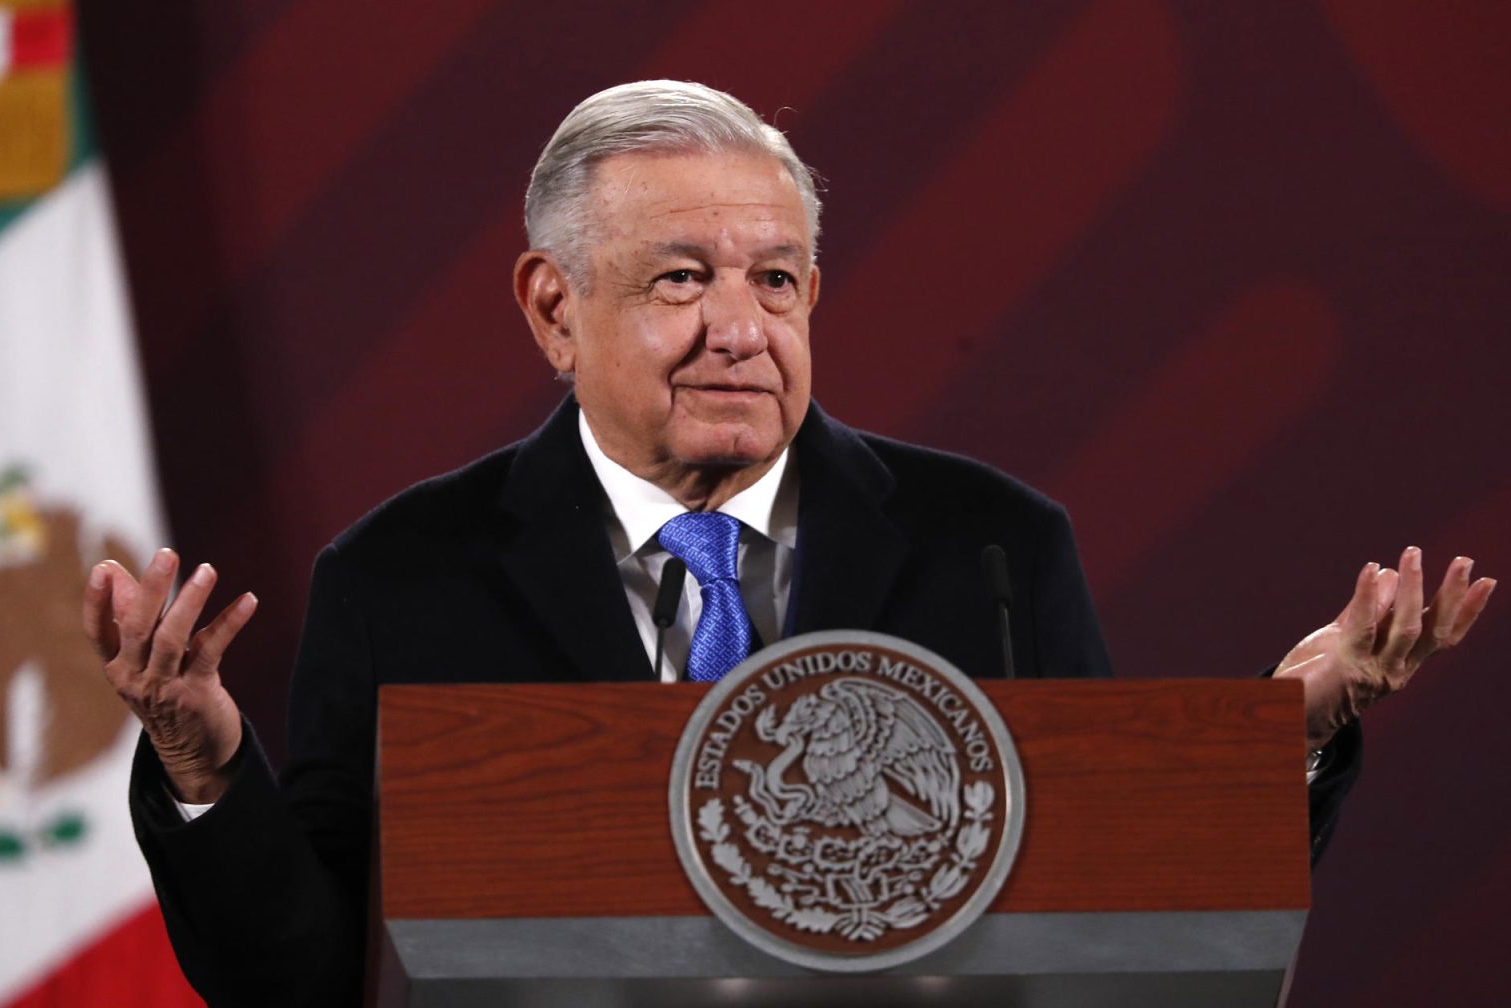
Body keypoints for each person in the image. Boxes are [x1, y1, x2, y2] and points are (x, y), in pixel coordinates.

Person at [83, 81, 1495, 1006]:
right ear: (552, 309)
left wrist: (1287, 735)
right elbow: (305, 981)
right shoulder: (404, 574)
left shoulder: (989, 550)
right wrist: (207, 766)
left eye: (775, 280)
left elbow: (1113, 903)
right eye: (681, 281)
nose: (742, 329)